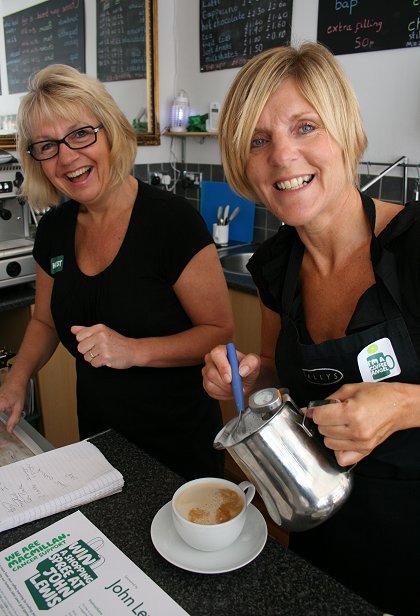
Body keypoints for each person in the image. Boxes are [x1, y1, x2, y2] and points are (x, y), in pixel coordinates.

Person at [202, 42, 420, 616]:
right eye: (258, 139)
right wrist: (247, 374)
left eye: (305, 126)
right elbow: (281, 372)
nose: (282, 156)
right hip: (323, 525)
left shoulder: (415, 246)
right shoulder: (275, 267)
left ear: (345, 131)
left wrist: (403, 404)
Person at [0, 64, 234, 481]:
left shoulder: (171, 222)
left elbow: (218, 331)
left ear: (108, 131)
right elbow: (44, 319)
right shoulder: (54, 229)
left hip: (179, 443)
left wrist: (133, 350)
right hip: (99, 439)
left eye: (79, 134)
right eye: (47, 145)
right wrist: (17, 378)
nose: (67, 157)